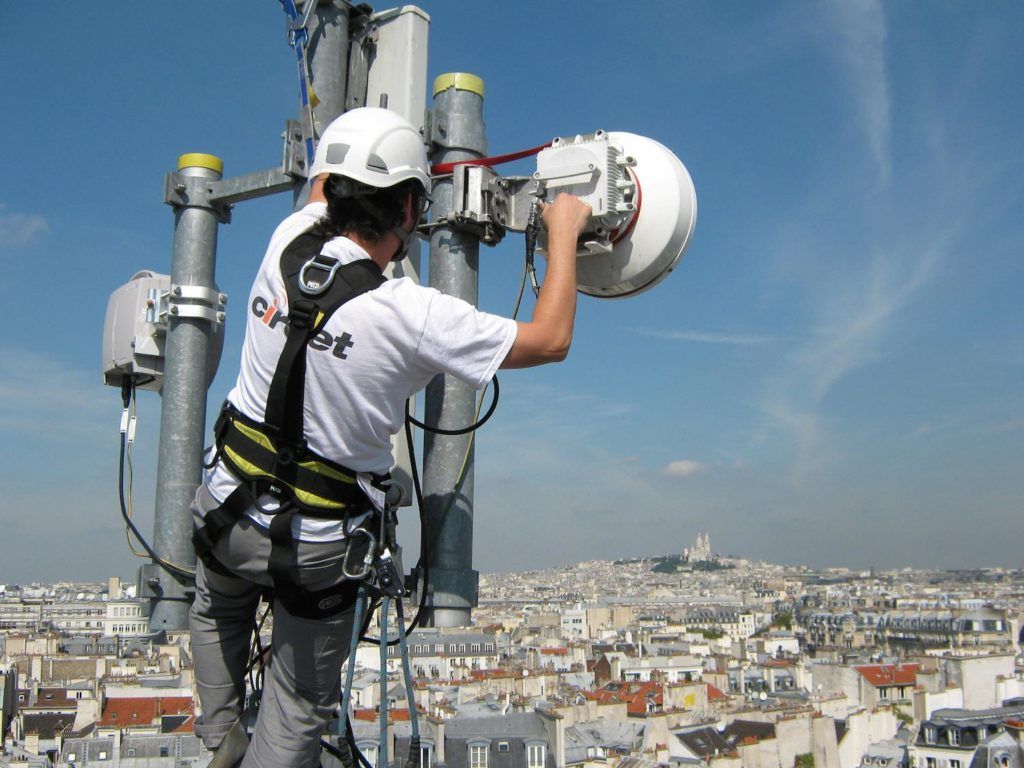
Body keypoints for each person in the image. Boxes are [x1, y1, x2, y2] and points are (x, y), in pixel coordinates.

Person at [188, 107, 591, 768]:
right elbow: (551, 339)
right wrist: (564, 231)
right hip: (315, 543)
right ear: (409, 209)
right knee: (296, 706)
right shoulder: (413, 314)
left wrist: (385, 155)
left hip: (225, 503)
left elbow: (325, 182)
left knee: (215, 609)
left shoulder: (287, 238)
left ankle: (221, 739)